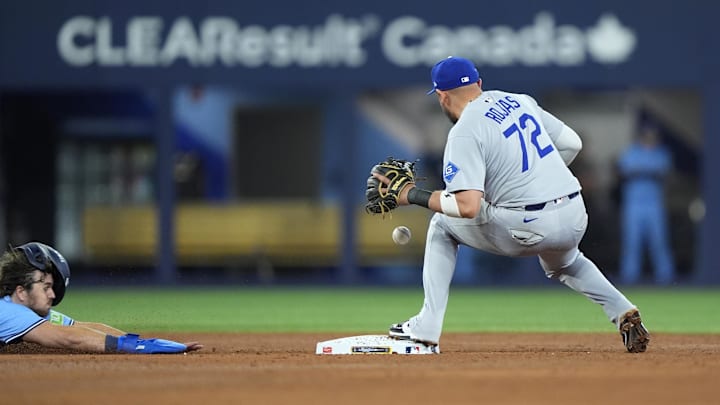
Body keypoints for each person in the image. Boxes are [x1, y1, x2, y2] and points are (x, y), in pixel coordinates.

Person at [368, 56, 650, 353]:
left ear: (442, 96)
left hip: (527, 226)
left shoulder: (464, 131)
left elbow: (467, 207)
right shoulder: (520, 101)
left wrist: (411, 194)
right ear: (479, 83)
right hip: (574, 213)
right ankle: (623, 310)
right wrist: (537, 181)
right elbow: (572, 143)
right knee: (565, 261)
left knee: (442, 224)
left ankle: (426, 329)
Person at [0, 241, 202, 354]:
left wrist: (138, 340)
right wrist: (133, 346)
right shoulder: (9, 312)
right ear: (21, 291)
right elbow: (70, 339)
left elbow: (77, 328)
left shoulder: (23, 309)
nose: (52, 294)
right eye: (46, 287)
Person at [617, 125, 675, 285]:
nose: (650, 137)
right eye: (647, 134)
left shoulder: (661, 153)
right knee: (632, 242)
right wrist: (647, 172)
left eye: (653, 134)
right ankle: (629, 277)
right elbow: (624, 170)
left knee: (659, 241)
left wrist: (641, 171)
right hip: (634, 204)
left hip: (654, 204)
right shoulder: (632, 151)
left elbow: (663, 171)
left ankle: (666, 277)